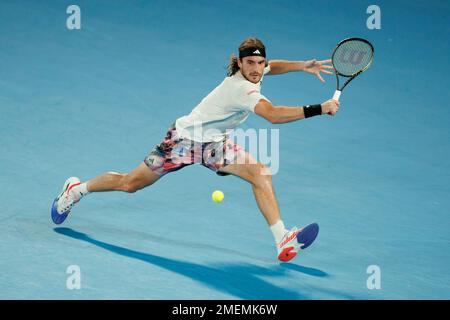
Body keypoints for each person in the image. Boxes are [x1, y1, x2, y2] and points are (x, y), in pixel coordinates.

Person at [51, 37, 340, 262]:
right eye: (249, 63)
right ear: (238, 64)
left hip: (215, 145)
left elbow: (272, 67)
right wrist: (320, 108)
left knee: (260, 173)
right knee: (130, 184)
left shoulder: (259, 70)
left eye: (258, 62)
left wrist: (302, 65)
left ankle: (282, 240)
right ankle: (76, 189)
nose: (255, 69)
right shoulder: (242, 89)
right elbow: (274, 115)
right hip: (182, 142)